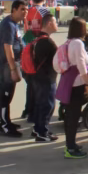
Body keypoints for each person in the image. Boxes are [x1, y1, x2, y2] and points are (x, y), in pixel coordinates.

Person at [54, 17, 88, 159]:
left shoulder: (68, 42)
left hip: (68, 82)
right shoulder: (78, 43)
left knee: (70, 115)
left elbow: (56, 63)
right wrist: (87, 81)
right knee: (74, 117)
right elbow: (82, 64)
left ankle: (71, 144)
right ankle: (70, 147)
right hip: (77, 84)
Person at [0, 0, 29, 137]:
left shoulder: (14, 24)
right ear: (13, 10)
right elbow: (8, 48)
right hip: (8, 66)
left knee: (8, 95)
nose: (25, 12)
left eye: (26, 9)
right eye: (22, 9)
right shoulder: (8, 25)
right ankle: (4, 125)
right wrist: (13, 68)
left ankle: (6, 120)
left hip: (13, 64)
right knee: (5, 94)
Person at [31, 13, 59, 142]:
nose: (57, 24)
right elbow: (59, 60)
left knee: (40, 104)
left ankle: (38, 128)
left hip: (38, 77)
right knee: (47, 105)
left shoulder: (38, 39)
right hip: (47, 78)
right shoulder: (48, 42)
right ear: (49, 24)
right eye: (55, 22)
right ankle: (42, 132)